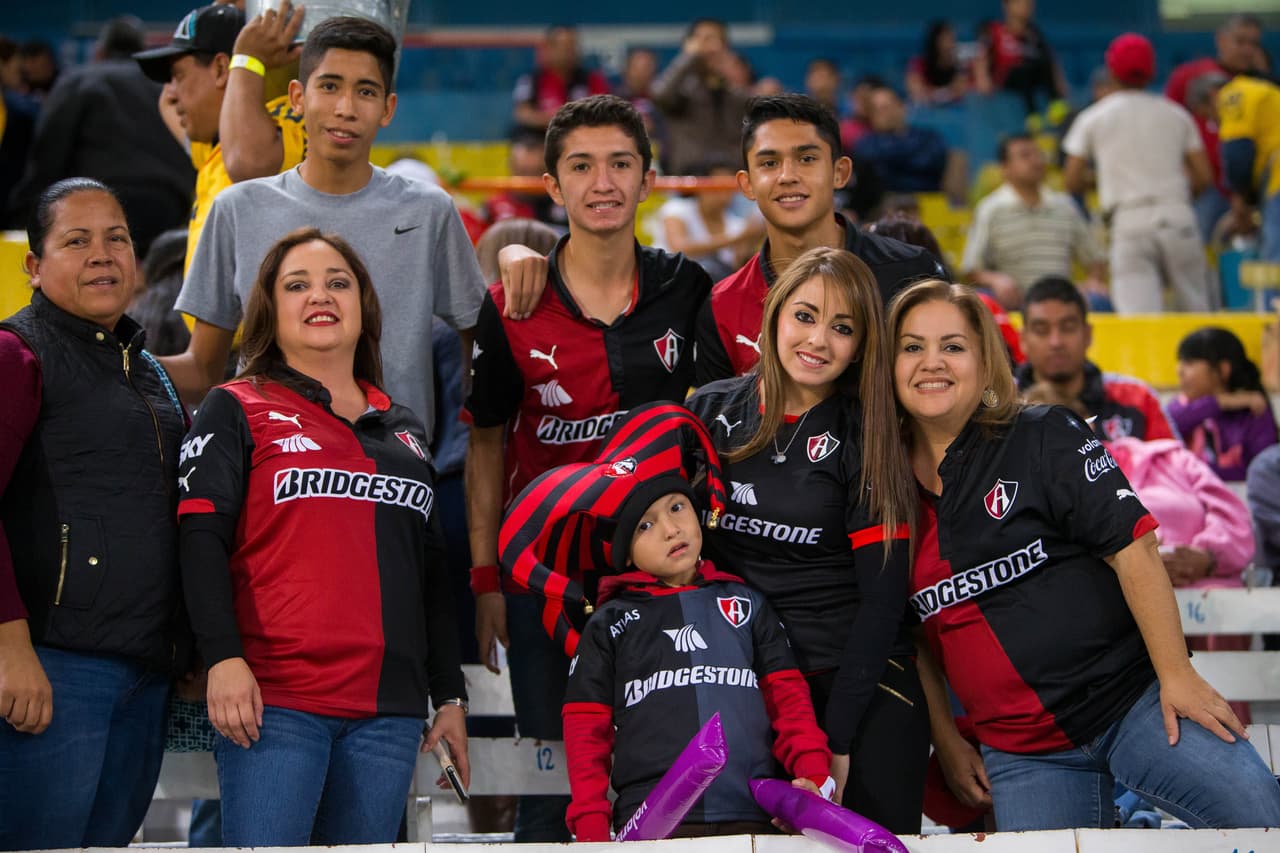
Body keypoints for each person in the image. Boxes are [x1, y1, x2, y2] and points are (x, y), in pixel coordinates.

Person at [889, 277, 1280, 830]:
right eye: (912, 346)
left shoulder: (1043, 433)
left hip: (1134, 704)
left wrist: (1177, 675)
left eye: (953, 346)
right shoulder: (879, 493)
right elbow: (911, 636)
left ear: (985, 362)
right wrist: (948, 742)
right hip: (1023, 752)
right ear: (888, 365)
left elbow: (1135, 549)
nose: (933, 362)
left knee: (1261, 813)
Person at [464, 94, 712, 843]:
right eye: (581, 166)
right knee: (549, 788)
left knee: (665, 776)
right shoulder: (513, 304)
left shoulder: (686, 289)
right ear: (553, 185)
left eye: (620, 164)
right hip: (545, 583)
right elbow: (485, 444)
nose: (602, 182)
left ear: (648, 179)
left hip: (662, 578)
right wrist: (485, 580)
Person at [176, 227, 468, 845]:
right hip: (275, 702)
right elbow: (199, 543)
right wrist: (223, 658)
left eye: (338, 282)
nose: (321, 296)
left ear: (364, 305)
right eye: (297, 284)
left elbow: (432, 577)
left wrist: (450, 698)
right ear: (270, 310)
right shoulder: (234, 406)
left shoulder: (405, 427)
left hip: (387, 714)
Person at [687, 248, 926, 833]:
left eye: (842, 328)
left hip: (861, 689)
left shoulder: (868, 430)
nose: (818, 339)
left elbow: (883, 601)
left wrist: (835, 741)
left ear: (862, 344)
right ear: (773, 315)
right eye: (805, 316)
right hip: (746, 689)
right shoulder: (709, 410)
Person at [165, 16, 487, 438]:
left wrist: (463, 438)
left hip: (395, 480)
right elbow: (204, 368)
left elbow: (478, 333)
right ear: (298, 96)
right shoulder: (236, 210)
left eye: (365, 91)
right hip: (272, 477)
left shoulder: (429, 211)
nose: (345, 108)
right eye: (329, 86)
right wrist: (114, 360)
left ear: (388, 108)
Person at [0, 178, 188, 849]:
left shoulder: (149, 371)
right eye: (76, 241)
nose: (102, 255)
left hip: (143, 673)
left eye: (116, 238)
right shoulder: (15, 352)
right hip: (54, 669)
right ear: (33, 265)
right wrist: (10, 644)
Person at [695, 94, 944, 384]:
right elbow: (714, 422)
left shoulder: (912, 273)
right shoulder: (722, 306)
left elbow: (984, 394)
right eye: (769, 163)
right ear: (747, 184)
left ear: (840, 173)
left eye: (807, 159)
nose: (787, 176)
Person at [134, 2, 308, 272]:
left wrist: (247, 59)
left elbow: (247, 164)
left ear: (220, 69)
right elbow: (167, 104)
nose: (170, 92)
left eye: (178, 76)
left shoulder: (286, 120)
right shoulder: (214, 146)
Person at [6, 16, 193, 256]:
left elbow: (49, 151)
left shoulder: (78, 81)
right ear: (142, 50)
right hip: (167, 205)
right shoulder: (165, 88)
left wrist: (23, 208)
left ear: (100, 51)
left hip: (98, 202)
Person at [1063, 33, 1215, 314]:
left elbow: (1071, 179)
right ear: (1152, 70)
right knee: (1197, 314)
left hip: (1129, 222)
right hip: (1177, 215)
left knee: (1139, 319)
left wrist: (1103, 181)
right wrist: (1177, 196)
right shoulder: (1176, 114)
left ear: (1112, 71)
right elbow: (1204, 175)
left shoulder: (1094, 117)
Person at [1013, 276, 1175, 442]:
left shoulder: (1140, 399)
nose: (1056, 342)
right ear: (1023, 339)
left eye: (1067, 328)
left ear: (1088, 334)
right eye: (1041, 330)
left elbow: (1177, 465)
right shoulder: (1001, 405)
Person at [961, 133, 1105, 310]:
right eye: (1024, 155)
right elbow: (971, 269)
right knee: (981, 301)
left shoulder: (1065, 206)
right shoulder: (990, 209)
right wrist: (996, 280)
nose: (1035, 160)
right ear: (1005, 168)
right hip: (1013, 303)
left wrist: (1092, 282)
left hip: (1060, 300)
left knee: (1099, 300)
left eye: (1038, 154)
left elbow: (1095, 259)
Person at [1166, 14, 1264, 242]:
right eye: (1240, 42)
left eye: (1254, 44)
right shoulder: (1188, 76)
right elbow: (1168, 126)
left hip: (1252, 191)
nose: (1247, 50)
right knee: (1200, 255)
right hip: (1205, 188)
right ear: (1221, 40)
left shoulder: (1262, 85)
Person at [1169, 326, 1278, 482]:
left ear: (1222, 369)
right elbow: (1168, 423)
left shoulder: (1253, 412)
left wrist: (1196, 472)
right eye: (1180, 363)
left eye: (1189, 363)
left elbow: (1261, 471)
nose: (1179, 370)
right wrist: (1220, 402)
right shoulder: (1184, 406)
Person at [650, 19, 751, 176]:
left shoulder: (732, 90)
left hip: (731, 183)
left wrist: (727, 74)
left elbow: (751, 109)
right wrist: (687, 57)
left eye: (714, 39)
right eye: (702, 39)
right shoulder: (681, 89)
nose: (709, 46)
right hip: (688, 183)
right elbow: (660, 95)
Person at [652, 160, 757, 280]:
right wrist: (738, 238)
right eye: (716, 187)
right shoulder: (676, 209)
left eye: (728, 188)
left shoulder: (737, 225)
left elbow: (737, 268)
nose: (723, 195)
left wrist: (748, 243)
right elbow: (680, 248)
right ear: (701, 186)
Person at [1217, 72, 1280, 262]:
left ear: (1212, 95)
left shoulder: (1235, 92)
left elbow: (1237, 154)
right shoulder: (1271, 97)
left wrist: (1241, 199)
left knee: (1275, 270)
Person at [973, 0, 1068, 114]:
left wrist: (1059, 82)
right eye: (1020, 2)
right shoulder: (995, 31)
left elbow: (1049, 59)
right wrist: (983, 79)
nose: (1026, 6)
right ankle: (1033, 119)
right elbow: (982, 58)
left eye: (1029, 3)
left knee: (1039, 65)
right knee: (1023, 71)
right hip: (1005, 80)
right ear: (1007, 6)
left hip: (1031, 79)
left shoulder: (1034, 34)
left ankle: (1056, 107)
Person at [853, 86, 951, 195]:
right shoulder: (866, 144)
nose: (882, 114)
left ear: (901, 107)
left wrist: (891, 161)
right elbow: (874, 175)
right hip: (885, 203)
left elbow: (931, 164)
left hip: (927, 198)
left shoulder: (928, 137)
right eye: (876, 109)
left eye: (886, 107)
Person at [512, 25, 609, 134]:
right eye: (563, 46)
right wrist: (557, 120)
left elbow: (605, 113)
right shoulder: (531, 80)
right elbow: (523, 114)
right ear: (549, 48)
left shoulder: (593, 79)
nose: (568, 51)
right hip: (543, 140)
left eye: (572, 45)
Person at [906, 20, 969, 107]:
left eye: (952, 39)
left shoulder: (960, 65)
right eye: (946, 39)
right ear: (935, 42)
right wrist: (945, 94)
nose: (951, 44)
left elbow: (961, 91)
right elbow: (916, 92)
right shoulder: (918, 63)